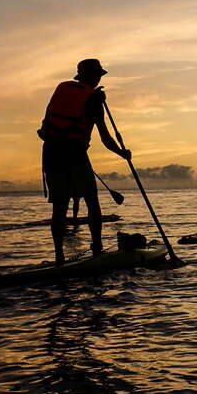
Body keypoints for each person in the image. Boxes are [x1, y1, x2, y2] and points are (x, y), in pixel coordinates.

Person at [38, 59, 132, 265]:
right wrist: (122, 153)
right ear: (93, 77)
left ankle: (59, 257)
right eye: (98, 75)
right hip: (75, 153)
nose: (99, 78)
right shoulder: (94, 100)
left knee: (59, 208)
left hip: (51, 152)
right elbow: (106, 139)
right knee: (92, 200)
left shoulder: (62, 88)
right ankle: (97, 248)